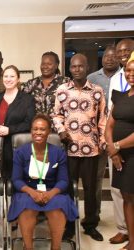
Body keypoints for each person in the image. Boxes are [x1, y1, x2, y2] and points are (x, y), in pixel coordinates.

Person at [53, 53, 107, 241]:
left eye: (80, 66)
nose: (77, 69)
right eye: (74, 66)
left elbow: (103, 120)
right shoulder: (62, 90)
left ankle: (90, 225)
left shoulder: (97, 91)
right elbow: (56, 115)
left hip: (91, 149)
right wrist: (60, 130)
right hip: (68, 149)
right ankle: (68, 225)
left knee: (91, 189)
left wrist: (102, 143)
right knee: (67, 188)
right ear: (69, 68)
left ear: (87, 67)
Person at [7, 114, 78, 250]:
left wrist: (50, 194)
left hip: (52, 190)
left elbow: (63, 180)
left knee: (58, 206)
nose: (38, 132)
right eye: (35, 129)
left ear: (49, 132)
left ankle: (55, 247)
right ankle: (28, 247)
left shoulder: (58, 152)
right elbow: (16, 179)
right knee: (25, 205)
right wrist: (32, 192)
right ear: (31, 131)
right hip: (27, 190)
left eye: (42, 129)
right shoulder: (21, 152)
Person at [0, 65, 35, 179]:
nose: (8, 79)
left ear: (18, 79)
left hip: (16, 148)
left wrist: (10, 129)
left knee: (14, 180)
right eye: (5, 76)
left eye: (12, 76)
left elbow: (29, 123)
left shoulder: (27, 99)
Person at [87, 45, 120, 223]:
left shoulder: (125, 76)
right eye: (106, 56)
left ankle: (123, 222)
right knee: (96, 179)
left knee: (121, 181)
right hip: (97, 135)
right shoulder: (91, 78)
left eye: (113, 56)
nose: (110, 59)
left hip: (120, 134)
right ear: (102, 58)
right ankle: (94, 217)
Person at [106, 38, 134, 246]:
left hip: (128, 151)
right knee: (123, 195)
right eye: (129, 72)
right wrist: (113, 149)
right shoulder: (119, 86)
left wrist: (116, 146)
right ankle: (127, 234)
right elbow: (109, 121)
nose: (130, 74)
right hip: (118, 153)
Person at [21, 51, 69, 118]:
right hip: (37, 126)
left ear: (56, 65)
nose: (45, 66)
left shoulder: (66, 82)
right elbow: (22, 105)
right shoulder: (31, 84)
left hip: (58, 126)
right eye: (43, 63)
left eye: (49, 64)